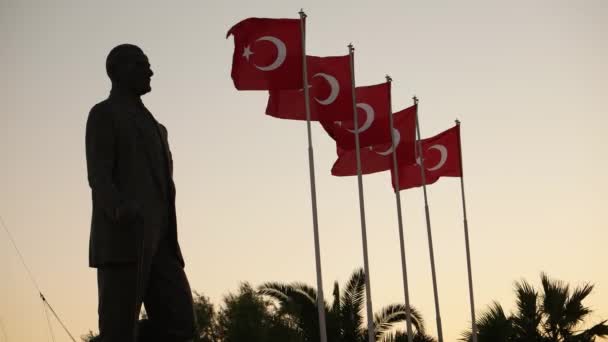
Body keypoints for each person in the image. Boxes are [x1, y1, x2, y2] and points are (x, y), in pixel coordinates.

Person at [85, 44, 196, 342]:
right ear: (118, 71)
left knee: (182, 324)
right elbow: (99, 174)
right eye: (141, 64)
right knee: (118, 329)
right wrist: (120, 208)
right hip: (124, 238)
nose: (150, 71)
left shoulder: (159, 129)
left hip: (163, 243)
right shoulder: (104, 114)